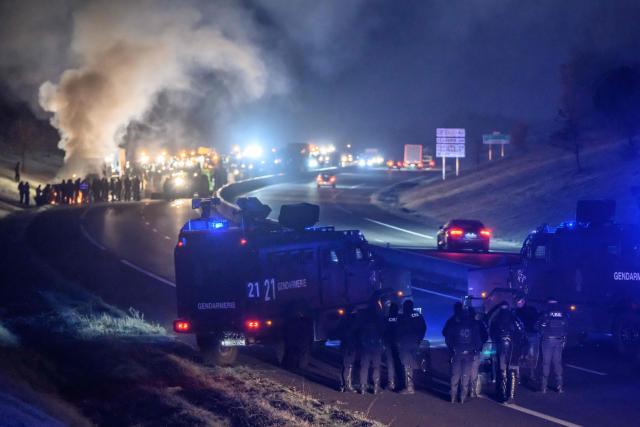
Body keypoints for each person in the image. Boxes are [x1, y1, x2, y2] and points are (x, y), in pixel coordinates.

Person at [443, 303, 485, 403]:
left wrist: (452, 349)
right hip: (469, 353)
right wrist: (476, 350)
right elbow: (478, 340)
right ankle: (463, 397)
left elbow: (448, 337)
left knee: (455, 374)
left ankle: (453, 396)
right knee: (466, 375)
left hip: (457, 352)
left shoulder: (454, 323)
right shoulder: (474, 325)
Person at [489, 301, 527, 403]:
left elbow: (492, 333)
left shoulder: (496, 319)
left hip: (501, 348)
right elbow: (522, 332)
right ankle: (511, 396)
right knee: (512, 371)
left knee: (502, 371)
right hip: (514, 349)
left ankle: (501, 394)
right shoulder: (515, 319)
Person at [536, 298, 569, 393]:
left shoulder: (545, 313)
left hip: (547, 341)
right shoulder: (563, 314)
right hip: (559, 341)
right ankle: (559, 387)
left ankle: (543, 388)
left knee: (546, 363)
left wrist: (542, 330)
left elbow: (537, 326)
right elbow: (567, 327)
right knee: (557, 363)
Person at [397, 299, 426, 394]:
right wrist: (419, 339)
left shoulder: (402, 317)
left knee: (407, 365)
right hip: (415, 343)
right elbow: (423, 327)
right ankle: (413, 384)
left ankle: (409, 387)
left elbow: (398, 330)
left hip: (405, 344)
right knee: (413, 364)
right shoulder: (417, 315)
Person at [357, 298, 385, 394]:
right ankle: (376, 388)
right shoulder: (379, 317)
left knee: (364, 367)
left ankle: (363, 388)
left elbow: (360, 330)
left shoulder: (364, 316)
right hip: (376, 345)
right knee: (376, 367)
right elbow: (383, 331)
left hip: (366, 345)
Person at [516, 295, 540, 383]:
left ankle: (531, 374)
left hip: (531, 335)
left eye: (519, 302)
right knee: (520, 355)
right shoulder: (516, 311)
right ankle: (519, 375)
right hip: (523, 336)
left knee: (532, 356)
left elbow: (537, 321)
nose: (518, 304)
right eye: (517, 302)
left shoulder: (529, 310)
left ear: (523, 301)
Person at [337, 306, 358, 393]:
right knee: (348, 366)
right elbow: (350, 335)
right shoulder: (351, 323)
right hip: (349, 346)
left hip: (344, 346)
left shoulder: (343, 321)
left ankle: (342, 386)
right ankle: (347, 386)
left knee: (344, 366)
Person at [383, 302, 400, 391]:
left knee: (390, 363)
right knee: (400, 363)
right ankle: (401, 382)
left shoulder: (387, 319)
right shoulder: (400, 318)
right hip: (398, 344)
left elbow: (383, 331)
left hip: (389, 343)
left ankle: (391, 383)